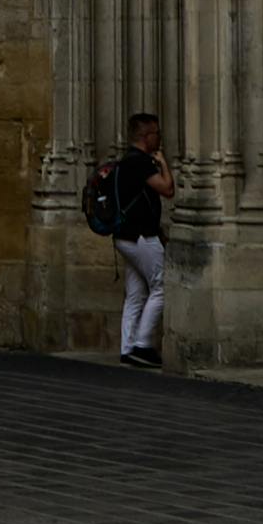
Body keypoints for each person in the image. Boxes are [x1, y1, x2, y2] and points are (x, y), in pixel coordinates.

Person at [96, 109, 172, 367]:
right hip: (141, 237)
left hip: (124, 236)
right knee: (162, 286)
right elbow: (168, 189)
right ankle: (142, 345)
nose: (159, 139)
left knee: (136, 293)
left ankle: (127, 348)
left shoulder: (125, 162)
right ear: (146, 136)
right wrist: (162, 163)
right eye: (157, 134)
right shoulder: (140, 162)